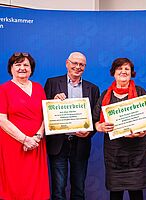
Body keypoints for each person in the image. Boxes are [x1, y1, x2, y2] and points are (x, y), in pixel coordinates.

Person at [44, 51, 100, 200]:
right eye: (74, 63)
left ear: (85, 67)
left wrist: (89, 132)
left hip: (81, 144)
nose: (78, 67)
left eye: (81, 64)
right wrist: (53, 101)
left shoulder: (93, 89)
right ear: (67, 63)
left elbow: (96, 118)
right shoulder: (52, 83)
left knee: (79, 189)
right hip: (58, 143)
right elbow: (43, 112)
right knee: (58, 189)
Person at [93, 58, 146, 200]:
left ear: (131, 73)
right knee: (115, 194)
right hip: (114, 154)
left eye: (127, 69)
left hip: (136, 154)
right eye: (119, 68)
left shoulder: (140, 92)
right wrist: (100, 127)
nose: (123, 71)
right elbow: (95, 122)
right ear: (113, 72)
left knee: (136, 194)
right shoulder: (105, 95)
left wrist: (143, 131)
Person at [0, 52, 50, 200]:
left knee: (36, 186)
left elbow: (45, 116)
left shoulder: (39, 88)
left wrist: (37, 137)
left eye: (26, 65)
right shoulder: (3, 89)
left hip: (36, 144)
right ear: (11, 68)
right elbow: (2, 120)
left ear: (31, 69)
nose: (22, 68)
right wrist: (24, 139)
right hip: (13, 145)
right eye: (18, 64)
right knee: (15, 185)